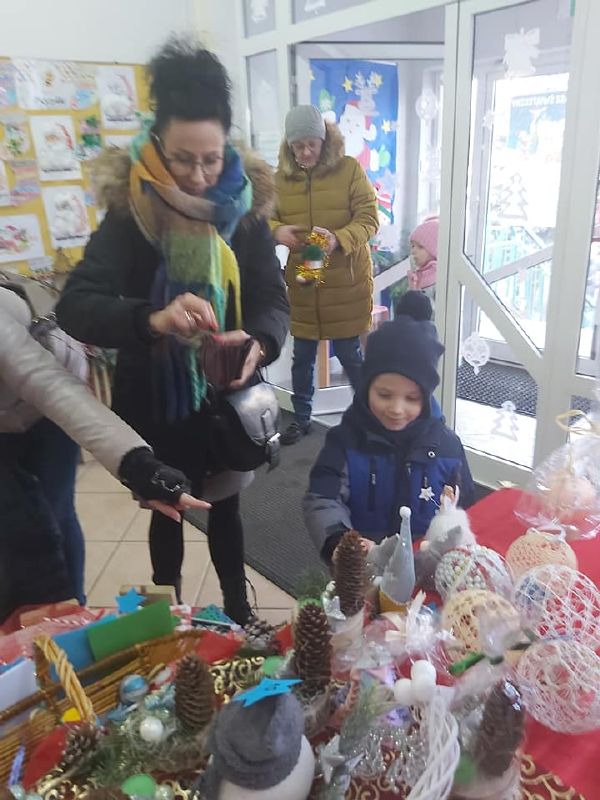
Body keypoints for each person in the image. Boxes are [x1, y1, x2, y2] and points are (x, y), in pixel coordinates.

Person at [56, 38, 289, 624]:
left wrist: (258, 343)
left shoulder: (246, 208)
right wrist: (152, 318)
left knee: (227, 512)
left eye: (211, 158)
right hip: (156, 405)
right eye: (183, 159)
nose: (199, 176)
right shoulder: (131, 211)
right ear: (157, 141)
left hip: (229, 401)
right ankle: (172, 617)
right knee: (167, 513)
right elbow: (76, 306)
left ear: (228, 144)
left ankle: (239, 611)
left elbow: (272, 300)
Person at [0, 284, 208, 622]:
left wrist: (138, 466)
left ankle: (73, 610)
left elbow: (50, 388)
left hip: (48, 401)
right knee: (17, 529)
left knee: (55, 512)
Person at [303, 308, 475, 563]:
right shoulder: (345, 440)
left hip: (427, 564)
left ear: (426, 398)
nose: (396, 409)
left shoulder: (447, 446)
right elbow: (323, 497)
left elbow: (465, 504)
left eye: (411, 398)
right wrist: (338, 541)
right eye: (384, 395)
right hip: (363, 566)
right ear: (366, 388)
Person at [269, 104, 379, 445]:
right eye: (297, 146)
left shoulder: (349, 170)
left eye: (311, 144)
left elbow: (369, 218)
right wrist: (277, 231)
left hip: (345, 279)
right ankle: (301, 419)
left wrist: (339, 239)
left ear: (324, 140)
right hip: (305, 278)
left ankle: (369, 420)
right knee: (302, 357)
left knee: (350, 356)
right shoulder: (279, 180)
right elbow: (263, 217)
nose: (305, 152)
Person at [408, 216, 438, 297]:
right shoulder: (417, 275)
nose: (413, 251)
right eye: (413, 246)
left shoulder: (438, 278)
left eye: (420, 247)